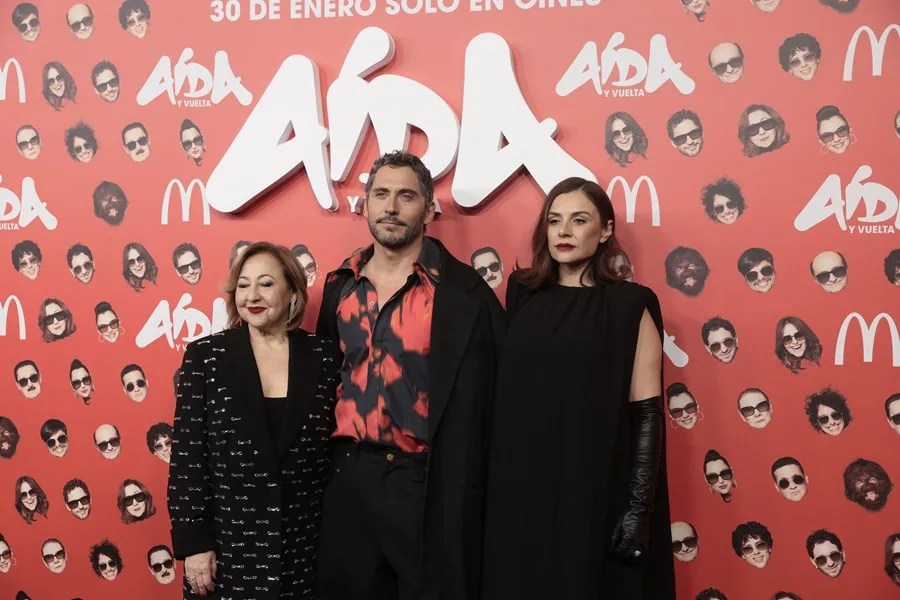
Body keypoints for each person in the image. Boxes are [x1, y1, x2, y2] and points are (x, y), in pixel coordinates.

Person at [317, 151, 505, 600]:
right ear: (365, 203)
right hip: (348, 477)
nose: (391, 207)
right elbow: (324, 378)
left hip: (424, 482)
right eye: (381, 194)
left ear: (429, 209)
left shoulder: (464, 293)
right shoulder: (339, 286)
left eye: (406, 196)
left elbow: (495, 395)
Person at [481, 175, 673, 598]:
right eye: (554, 220)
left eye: (579, 219)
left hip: (590, 485)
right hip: (518, 486)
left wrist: (639, 509)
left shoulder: (629, 305)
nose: (564, 231)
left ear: (605, 231)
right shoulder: (522, 292)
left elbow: (646, 415)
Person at [169, 241, 341, 599]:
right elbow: (188, 459)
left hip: (306, 548)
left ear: (292, 290)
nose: (252, 295)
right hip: (228, 550)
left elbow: (334, 454)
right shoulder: (206, 357)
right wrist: (195, 544)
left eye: (265, 283)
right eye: (243, 285)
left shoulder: (324, 357)